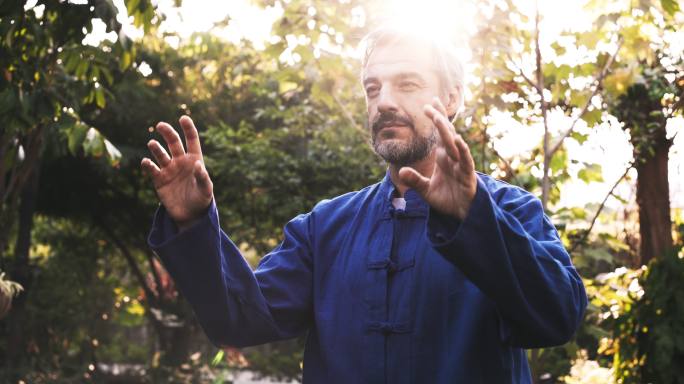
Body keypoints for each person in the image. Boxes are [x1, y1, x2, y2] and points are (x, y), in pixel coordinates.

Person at [141, 26, 587, 383]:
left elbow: (559, 318)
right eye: (373, 89)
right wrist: (195, 223)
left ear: (451, 99)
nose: (384, 102)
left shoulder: (513, 210)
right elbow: (239, 321)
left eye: (407, 84)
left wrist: (474, 218)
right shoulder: (324, 228)